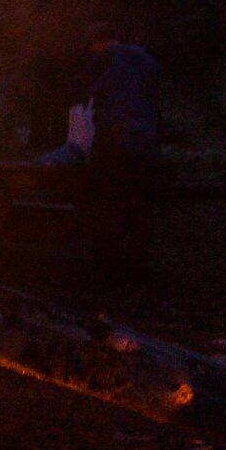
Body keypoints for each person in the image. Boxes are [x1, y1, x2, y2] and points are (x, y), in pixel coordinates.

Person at [76, 23, 162, 279]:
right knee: (137, 205)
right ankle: (137, 267)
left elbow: (101, 95)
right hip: (145, 142)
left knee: (107, 203)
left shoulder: (106, 61)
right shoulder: (145, 60)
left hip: (116, 142)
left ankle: (108, 270)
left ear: (97, 42)